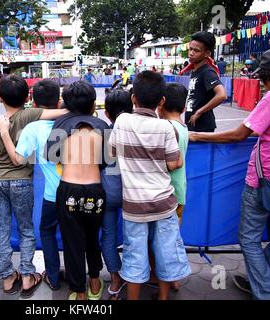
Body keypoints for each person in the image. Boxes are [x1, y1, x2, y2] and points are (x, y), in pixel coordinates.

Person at [189, 49, 270, 300]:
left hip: (263, 180)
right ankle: (262, 276)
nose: (261, 83)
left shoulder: (268, 100)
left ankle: (263, 290)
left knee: (248, 239)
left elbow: (238, 135)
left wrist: (197, 135)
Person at [0, 75, 67, 298]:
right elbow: (62, 112)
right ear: (27, 98)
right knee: (26, 229)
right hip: (21, 182)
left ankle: (8, 278)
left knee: (0, 231)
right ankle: (27, 276)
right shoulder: (29, 115)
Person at [109, 71, 191, 300]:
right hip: (163, 204)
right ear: (162, 101)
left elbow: (113, 151)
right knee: (165, 252)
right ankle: (163, 298)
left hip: (134, 205)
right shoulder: (166, 128)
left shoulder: (123, 121)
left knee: (135, 254)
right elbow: (174, 163)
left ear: (133, 97)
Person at [45, 80, 109, 300]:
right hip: (95, 191)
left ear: (67, 103)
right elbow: (109, 160)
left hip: (68, 190)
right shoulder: (102, 126)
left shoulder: (60, 124)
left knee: (72, 243)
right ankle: (94, 283)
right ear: (93, 103)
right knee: (93, 238)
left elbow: (51, 156)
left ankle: (79, 293)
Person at [101, 89, 133, 300]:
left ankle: (114, 278)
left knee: (109, 237)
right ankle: (136, 277)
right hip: (135, 194)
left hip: (108, 193)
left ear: (107, 114)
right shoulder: (138, 133)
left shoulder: (103, 135)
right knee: (135, 239)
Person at [158, 83, 189, 225]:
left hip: (168, 194)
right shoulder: (183, 128)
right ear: (184, 108)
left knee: (165, 240)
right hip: (179, 190)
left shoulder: (167, 129)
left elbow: (172, 163)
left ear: (161, 103)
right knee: (173, 238)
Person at [185, 31, 227, 132]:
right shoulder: (195, 70)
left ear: (207, 53)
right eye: (190, 49)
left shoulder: (207, 72)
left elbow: (222, 95)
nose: (191, 53)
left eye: (196, 50)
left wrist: (199, 112)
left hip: (202, 126)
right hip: (192, 124)